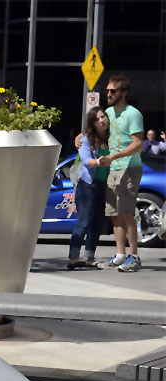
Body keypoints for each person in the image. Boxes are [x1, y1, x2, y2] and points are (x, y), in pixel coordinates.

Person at [98, 75, 145, 272]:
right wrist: (80, 137)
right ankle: (120, 255)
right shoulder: (108, 112)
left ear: (124, 93)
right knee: (114, 215)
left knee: (126, 214)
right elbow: (98, 133)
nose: (108, 94)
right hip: (113, 168)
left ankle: (134, 257)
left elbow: (138, 144)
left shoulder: (133, 114)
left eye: (113, 91)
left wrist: (115, 156)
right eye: (108, 90)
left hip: (129, 167)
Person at [67, 107, 110, 270]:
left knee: (98, 223)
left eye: (103, 117)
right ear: (92, 122)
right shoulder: (86, 139)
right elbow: (86, 160)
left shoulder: (110, 138)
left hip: (103, 185)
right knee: (83, 222)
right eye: (98, 118)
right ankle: (73, 258)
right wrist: (100, 161)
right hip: (88, 185)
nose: (102, 120)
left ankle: (89, 257)